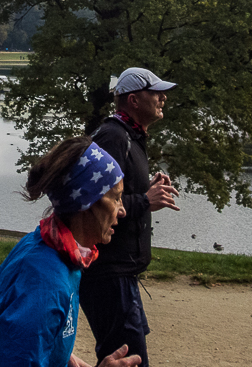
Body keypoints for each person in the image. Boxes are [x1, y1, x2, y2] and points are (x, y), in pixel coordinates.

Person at [0, 136, 142, 367]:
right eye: (116, 198)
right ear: (86, 203)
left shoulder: (40, 243)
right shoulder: (47, 284)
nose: (122, 211)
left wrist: (57, 353)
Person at [79, 67, 181, 367]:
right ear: (134, 100)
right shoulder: (113, 136)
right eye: (156, 93)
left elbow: (118, 193)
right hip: (109, 275)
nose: (163, 98)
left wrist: (144, 190)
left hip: (122, 274)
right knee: (129, 361)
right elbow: (93, 204)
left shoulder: (131, 136)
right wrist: (144, 201)